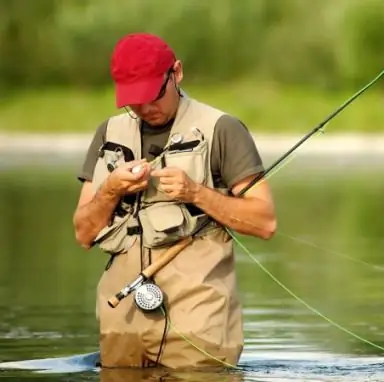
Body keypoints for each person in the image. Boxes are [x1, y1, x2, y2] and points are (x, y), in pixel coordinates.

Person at [71, 32, 277, 369]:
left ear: (176, 73)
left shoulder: (223, 130)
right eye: (134, 100)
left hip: (200, 326)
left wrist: (195, 192)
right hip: (121, 323)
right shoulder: (107, 133)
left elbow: (265, 222)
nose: (146, 109)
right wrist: (110, 189)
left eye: (153, 96)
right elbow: (83, 234)